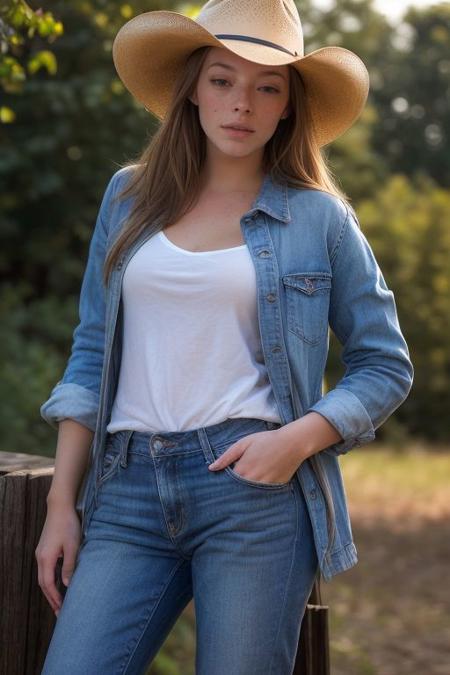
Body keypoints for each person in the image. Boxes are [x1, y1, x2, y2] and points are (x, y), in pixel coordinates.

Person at [36, 1, 414, 673]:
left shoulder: (319, 219)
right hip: (125, 493)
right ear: (192, 90)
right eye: (222, 79)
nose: (242, 103)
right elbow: (93, 350)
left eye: (266, 86)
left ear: (288, 105)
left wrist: (295, 441)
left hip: (255, 498)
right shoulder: (128, 197)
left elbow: (384, 364)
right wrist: (61, 503)